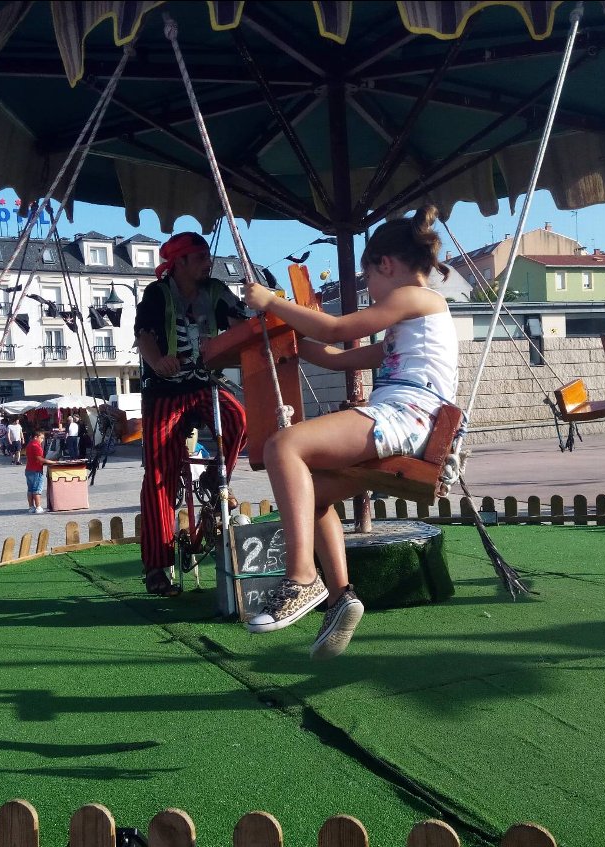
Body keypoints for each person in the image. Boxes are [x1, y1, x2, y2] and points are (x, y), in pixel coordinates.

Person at [241, 205, 458, 659]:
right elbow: (336, 357)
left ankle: (301, 577)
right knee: (311, 494)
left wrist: (273, 302)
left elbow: (340, 329)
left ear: (386, 265)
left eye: (368, 284)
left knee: (283, 445)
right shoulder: (412, 326)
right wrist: (289, 337)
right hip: (408, 414)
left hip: (408, 414)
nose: (371, 293)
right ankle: (340, 596)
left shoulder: (417, 298)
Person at [134, 231, 249, 597]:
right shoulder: (157, 294)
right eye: (199, 257)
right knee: (158, 476)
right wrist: (158, 361)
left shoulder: (216, 290)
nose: (207, 262)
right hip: (166, 390)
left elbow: (240, 325)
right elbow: (145, 335)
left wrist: (242, 333)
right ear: (179, 262)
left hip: (206, 385)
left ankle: (219, 479)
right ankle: (157, 566)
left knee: (239, 419)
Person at [24, 429, 52, 514]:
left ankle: (31, 507)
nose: (42, 440)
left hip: (29, 469)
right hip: (36, 470)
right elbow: (39, 458)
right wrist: (51, 462)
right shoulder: (36, 445)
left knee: (30, 489)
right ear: (36, 437)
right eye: (41, 438)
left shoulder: (29, 444)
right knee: (37, 490)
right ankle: (38, 507)